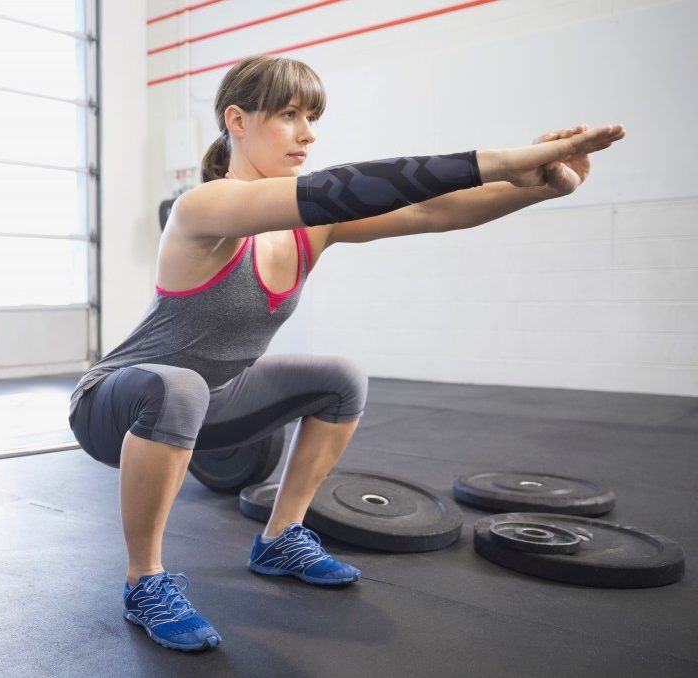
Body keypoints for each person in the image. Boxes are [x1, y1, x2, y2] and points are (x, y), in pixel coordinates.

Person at [67, 55, 625, 653]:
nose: (308, 133)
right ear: (237, 120)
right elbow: (348, 186)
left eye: (312, 117)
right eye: (288, 115)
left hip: (214, 400)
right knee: (180, 387)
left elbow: (432, 211)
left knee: (341, 378)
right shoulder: (203, 208)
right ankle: (144, 581)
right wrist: (515, 157)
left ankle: (280, 538)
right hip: (115, 403)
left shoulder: (312, 227)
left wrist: (536, 186)